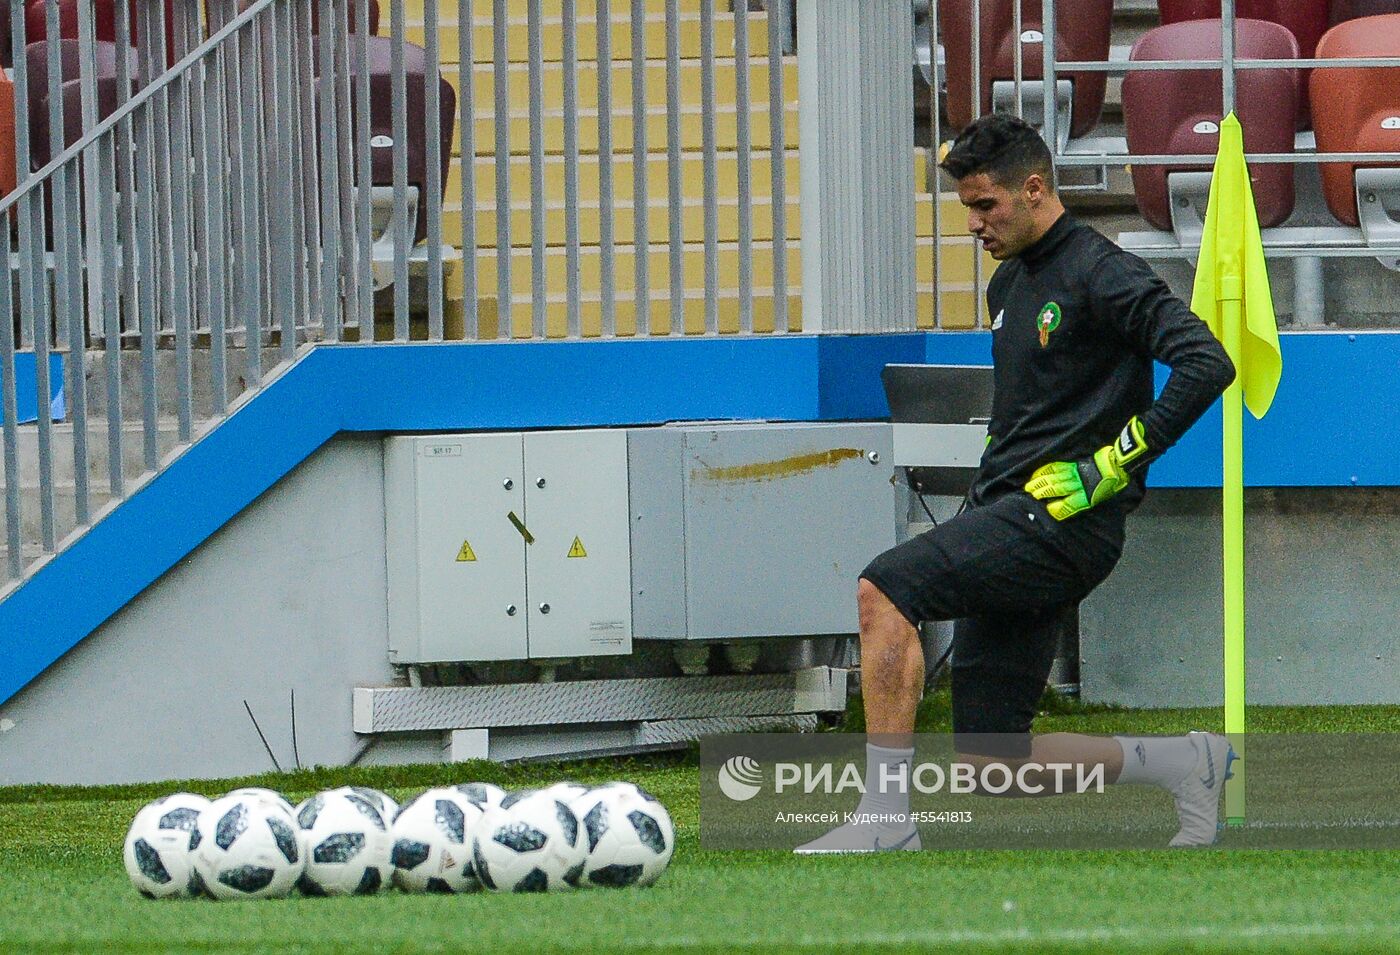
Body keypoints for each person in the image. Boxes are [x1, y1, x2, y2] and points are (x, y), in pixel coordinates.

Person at [796, 114, 1238, 853]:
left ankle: (884, 820)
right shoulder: (1009, 280)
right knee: (993, 763)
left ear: (1034, 189)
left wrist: (1113, 463)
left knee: (885, 587)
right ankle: (1185, 762)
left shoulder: (1105, 272)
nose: (973, 223)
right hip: (1009, 515)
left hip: (1063, 522)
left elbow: (1207, 362)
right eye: (966, 206)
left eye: (984, 205)